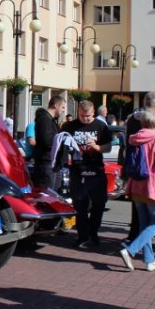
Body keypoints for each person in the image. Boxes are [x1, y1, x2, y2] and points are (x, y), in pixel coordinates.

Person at [118, 109, 155, 272]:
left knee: (144, 224)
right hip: (153, 185)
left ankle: (149, 260)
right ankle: (130, 250)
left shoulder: (133, 139)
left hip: (136, 184)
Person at [62, 100, 112, 249]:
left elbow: (108, 147)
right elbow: (61, 144)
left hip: (96, 169)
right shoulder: (69, 126)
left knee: (99, 204)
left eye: (88, 116)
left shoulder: (101, 126)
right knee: (79, 205)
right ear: (78, 113)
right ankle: (82, 235)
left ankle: (93, 233)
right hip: (77, 169)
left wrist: (96, 147)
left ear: (94, 113)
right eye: (82, 116)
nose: (85, 119)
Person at [32, 96, 65, 190]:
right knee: (46, 194)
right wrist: (60, 141)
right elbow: (46, 140)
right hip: (46, 163)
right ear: (56, 105)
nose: (63, 111)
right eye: (62, 107)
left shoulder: (50, 119)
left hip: (51, 162)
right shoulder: (45, 119)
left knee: (53, 192)